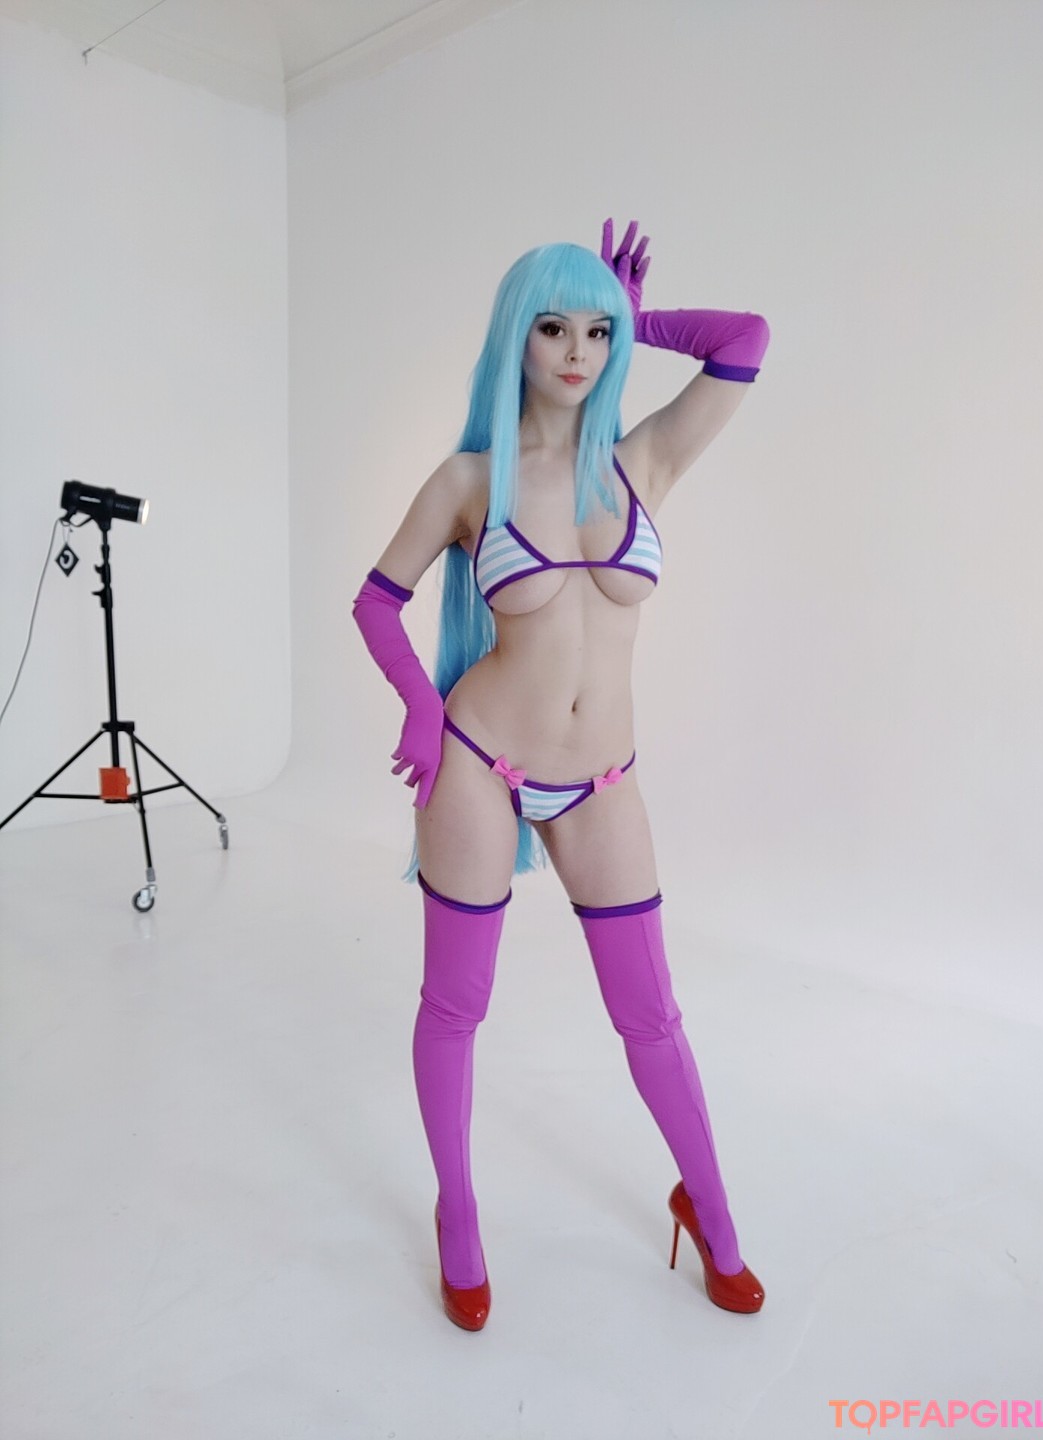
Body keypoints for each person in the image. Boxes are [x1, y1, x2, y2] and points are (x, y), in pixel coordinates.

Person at [352, 220, 770, 1331]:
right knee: (457, 1006)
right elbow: (376, 602)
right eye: (553, 327)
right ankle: (457, 1212)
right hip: (481, 764)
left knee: (652, 1016)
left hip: (602, 782)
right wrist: (421, 707)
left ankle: (711, 1209)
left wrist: (640, 316)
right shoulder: (470, 479)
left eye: (596, 331)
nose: (578, 352)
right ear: (516, 338)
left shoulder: (642, 461)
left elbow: (747, 340)